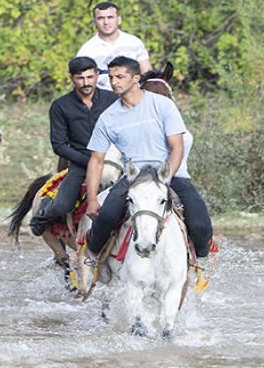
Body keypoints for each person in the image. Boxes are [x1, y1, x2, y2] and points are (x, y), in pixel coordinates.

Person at [82, 56, 213, 259]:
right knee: (105, 218)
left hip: (172, 175)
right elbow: (96, 160)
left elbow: (176, 147)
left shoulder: (163, 105)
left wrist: (164, 178)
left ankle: (198, 265)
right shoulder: (108, 117)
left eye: (120, 77)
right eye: (111, 77)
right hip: (133, 177)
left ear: (136, 78)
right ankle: (92, 260)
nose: (114, 82)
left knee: (201, 226)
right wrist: (91, 199)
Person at [28, 56, 120, 236]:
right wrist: (88, 161)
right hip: (81, 161)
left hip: (113, 159)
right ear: (72, 79)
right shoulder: (60, 106)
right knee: (63, 204)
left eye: (89, 77)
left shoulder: (113, 100)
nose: (86, 83)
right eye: (80, 78)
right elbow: (59, 145)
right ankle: (44, 212)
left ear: (96, 75)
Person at [76, 2, 152, 91]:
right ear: (94, 23)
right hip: (102, 102)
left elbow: (147, 74)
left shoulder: (134, 43)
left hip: (135, 99)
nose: (106, 22)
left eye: (110, 17)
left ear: (119, 20)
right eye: (101, 18)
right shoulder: (86, 51)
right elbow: (80, 85)